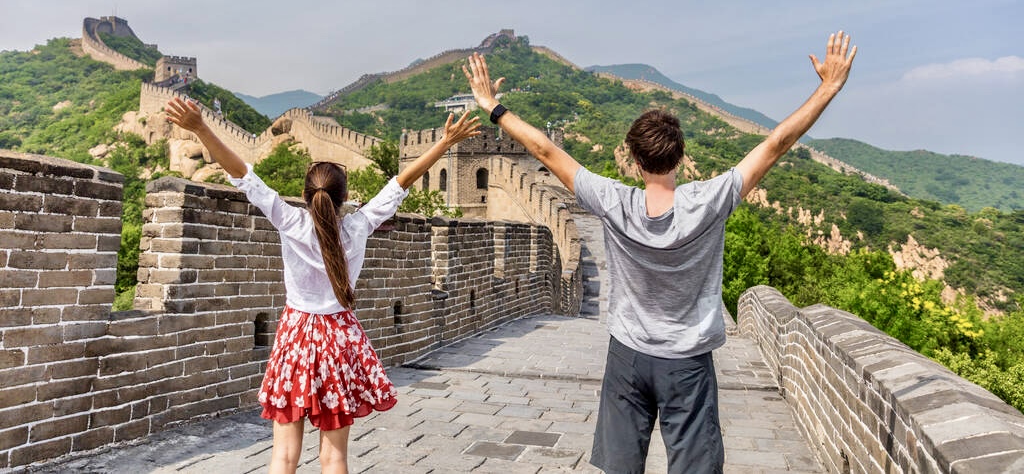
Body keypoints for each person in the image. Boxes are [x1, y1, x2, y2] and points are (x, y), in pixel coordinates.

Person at [463, 32, 857, 474]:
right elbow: (775, 144)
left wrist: (492, 106)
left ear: (633, 160)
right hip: (687, 363)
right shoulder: (709, 202)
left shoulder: (614, 201)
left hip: (628, 357)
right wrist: (827, 88)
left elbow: (544, 149)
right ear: (681, 156)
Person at [165, 96, 481, 474]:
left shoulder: (290, 222)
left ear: (305, 196)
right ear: (344, 197)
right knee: (334, 457)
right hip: (339, 339)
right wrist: (445, 144)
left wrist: (200, 128)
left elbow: (243, 176)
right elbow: (401, 183)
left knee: (282, 456)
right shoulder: (359, 226)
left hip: (296, 337)